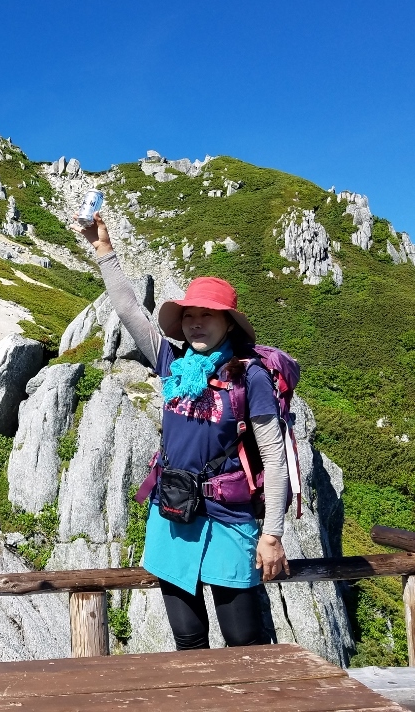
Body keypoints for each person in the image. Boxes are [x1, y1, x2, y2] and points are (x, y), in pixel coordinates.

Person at [80, 212, 289, 650]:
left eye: (208, 315)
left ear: (229, 323)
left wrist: (272, 535)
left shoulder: (249, 377)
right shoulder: (172, 363)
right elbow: (128, 309)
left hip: (229, 520)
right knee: (189, 640)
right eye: (190, 315)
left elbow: (274, 457)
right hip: (172, 514)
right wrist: (103, 249)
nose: (196, 322)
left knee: (244, 643)